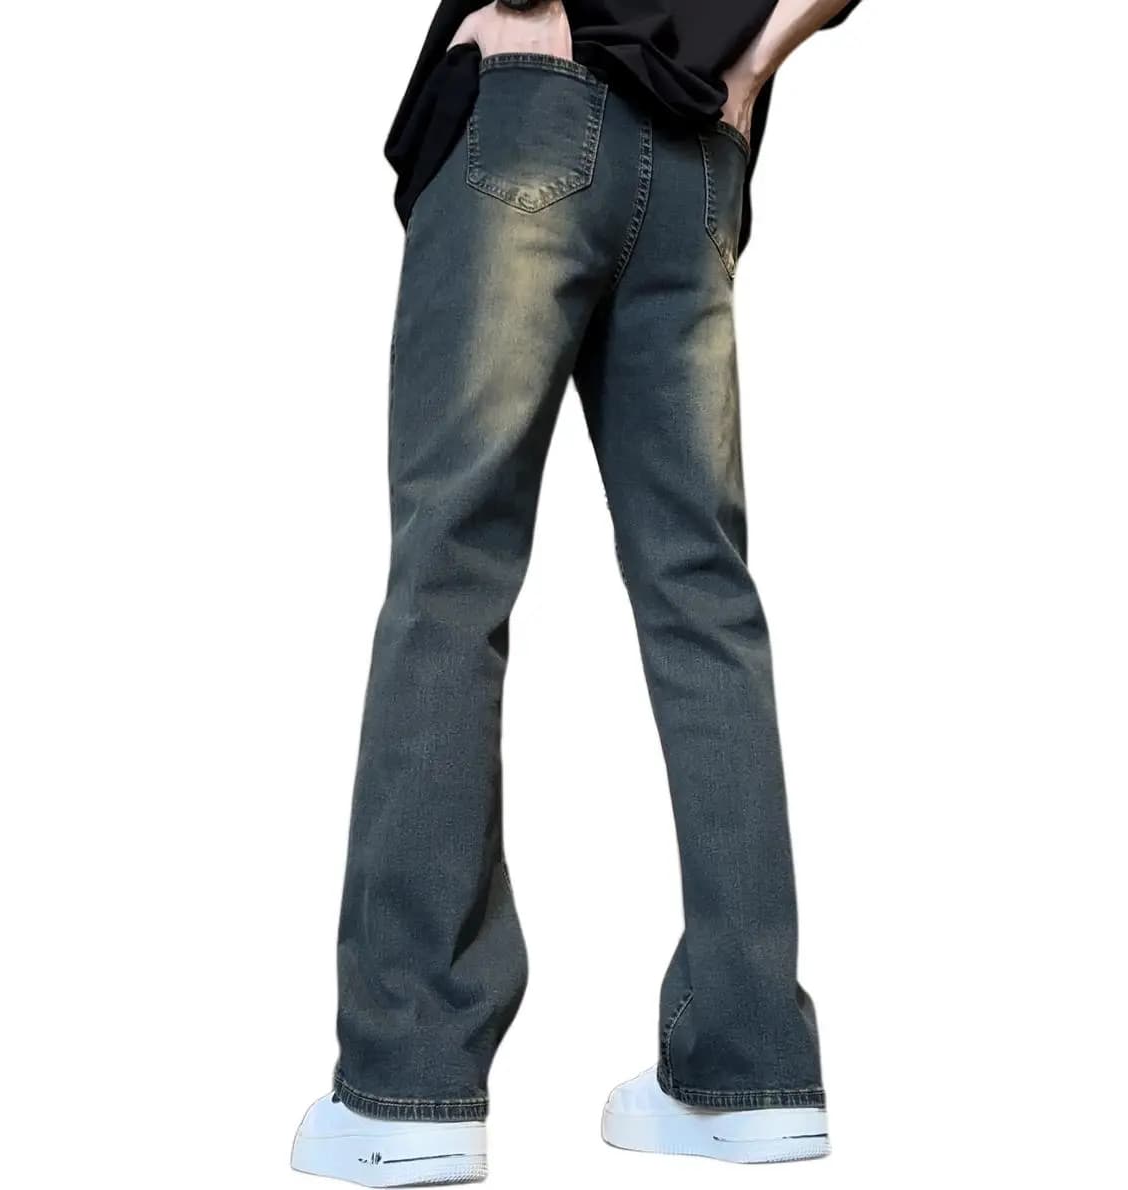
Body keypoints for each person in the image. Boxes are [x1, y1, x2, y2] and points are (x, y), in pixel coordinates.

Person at [292, 2, 864, 1185]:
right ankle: (751, 1065)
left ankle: (408, 1078)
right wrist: (750, 64)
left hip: (540, 109)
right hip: (699, 151)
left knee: (451, 575)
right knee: (703, 599)